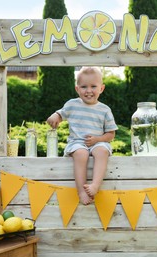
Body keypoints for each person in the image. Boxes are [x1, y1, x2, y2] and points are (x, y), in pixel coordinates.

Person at [47, 67, 118, 205]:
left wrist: (98, 139)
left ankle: (95, 186)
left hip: (98, 142)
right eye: (84, 86)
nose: (88, 90)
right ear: (77, 89)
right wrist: (55, 115)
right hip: (77, 142)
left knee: (102, 151)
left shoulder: (104, 109)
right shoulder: (72, 104)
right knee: (81, 153)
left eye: (93, 86)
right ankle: (81, 190)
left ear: (101, 89)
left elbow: (111, 134)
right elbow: (61, 114)